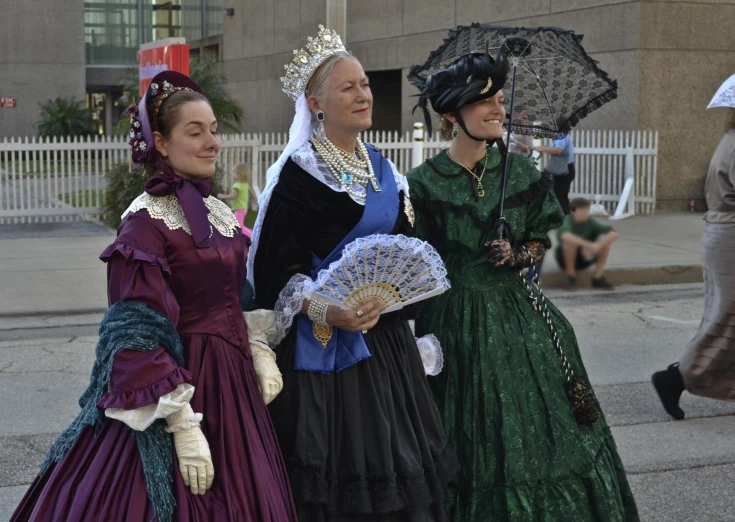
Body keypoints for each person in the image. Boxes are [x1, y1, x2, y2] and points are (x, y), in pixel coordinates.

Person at [11, 71, 296, 522]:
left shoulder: (218, 212)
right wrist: (182, 424)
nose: (212, 143)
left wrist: (258, 346)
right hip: (181, 382)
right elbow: (135, 330)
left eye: (214, 131)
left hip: (233, 382)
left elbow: (233, 296)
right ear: (161, 143)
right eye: (195, 132)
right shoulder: (144, 223)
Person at [407, 52, 639, 521]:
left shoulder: (524, 175)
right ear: (452, 114)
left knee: (534, 432)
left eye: (499, 99)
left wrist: (518, 255)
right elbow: (414, 262)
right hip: (452, 323)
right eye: (485, 101)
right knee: (468, 434)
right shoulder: (422, 184)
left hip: (518, 318)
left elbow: (539, 239)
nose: (499, 109)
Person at [247, 26, 455, 522]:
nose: (364, 94)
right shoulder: (298, 177)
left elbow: (407, 256)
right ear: (316, 103)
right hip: (325, 350)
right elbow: (277, 275)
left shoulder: (384, 170)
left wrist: (392, 299)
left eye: (364, 84)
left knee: (400, 465)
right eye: (349, 87)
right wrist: (329, 309)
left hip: (386, 345)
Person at [652, 110, 735, 420]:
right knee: (725, 320)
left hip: (724, 234)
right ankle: (676, 378)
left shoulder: (730, 138)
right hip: (731, 238)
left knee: (726, 317)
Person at [556, 197, 619, 290]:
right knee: (570, 242)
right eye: (582, 211)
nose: (585, 213)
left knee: (604, 240)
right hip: (565, 258)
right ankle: (570, 276)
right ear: (573, 211)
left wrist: (598, 246)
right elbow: (565, 235)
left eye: (586, 210)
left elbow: (613, 233)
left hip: (587, 255)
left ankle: (597, 278)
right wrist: (588, 245)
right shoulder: (567, 220)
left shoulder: (590, 222)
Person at [533, 133, 574, 213]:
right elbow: (550, 146)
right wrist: (535, 147)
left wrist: (540, 149)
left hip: (563, 170)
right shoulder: (560, 136)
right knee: (560, 195)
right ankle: (564, 217)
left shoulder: (562, 136)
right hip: (563, 170)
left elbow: (557, 150)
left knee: (560, 196)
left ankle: (564, 218)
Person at [218, 163, 259, 238]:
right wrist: (256, 201)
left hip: (239, 209)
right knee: (236, 225)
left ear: (239, 174)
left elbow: (233, 196)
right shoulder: (246, 184)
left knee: (239, 227)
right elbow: (252, 194)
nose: (232, 174)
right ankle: (238, 239)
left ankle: (253, 237)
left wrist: (222, 196)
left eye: (234, 173)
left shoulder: (237, 185)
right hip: (243, 209)